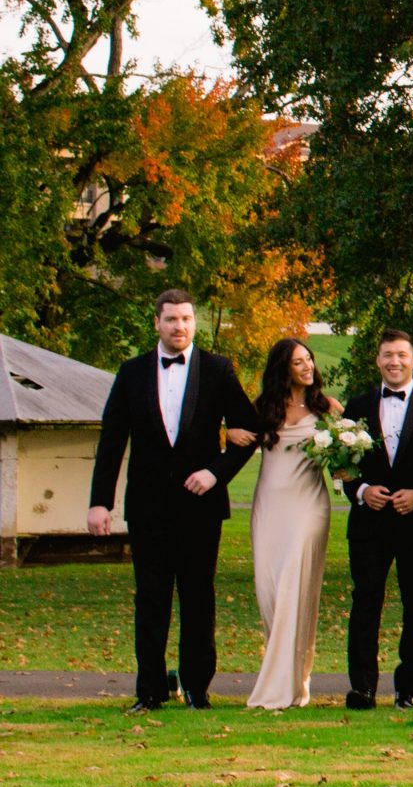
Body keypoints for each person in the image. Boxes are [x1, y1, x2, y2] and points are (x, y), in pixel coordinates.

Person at [86, 289, 262, 710]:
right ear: (156, 324)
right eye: (171, 320)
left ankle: (197, 689)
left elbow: (249, 431)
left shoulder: (218, 371)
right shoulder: (131, 373)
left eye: (186, 319)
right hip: (147, 507)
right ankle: (148, 691)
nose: (179, 327)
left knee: (199, 596)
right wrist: (99, 502)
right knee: (150, 600)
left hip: (200, 508)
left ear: (194, 323)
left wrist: (215, 473)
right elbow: (111, 441)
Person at [341, 329, 413, 710]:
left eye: (402, 355)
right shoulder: (356, 406)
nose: (395, 361)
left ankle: (407, 689)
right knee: (365, 602)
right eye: (388, 355)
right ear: (378, 360)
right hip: (369, 524)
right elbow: (341, 466)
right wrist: (361, 491)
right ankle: (363, 688)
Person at [243, 338, 337, 711]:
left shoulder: (326, 408)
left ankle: (281, 689)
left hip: (307, 509)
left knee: (294, 595)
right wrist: (234, 434)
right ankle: (294, 681)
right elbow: (240, 444)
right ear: (283, 367)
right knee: (270, 595)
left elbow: (349, 453)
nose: (308, 367)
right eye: (299, 362)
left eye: (309, 360)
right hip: (269, 509)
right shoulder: (263, 408)